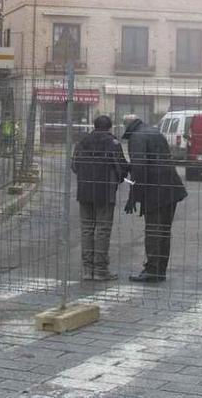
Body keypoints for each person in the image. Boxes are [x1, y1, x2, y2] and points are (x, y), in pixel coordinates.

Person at [122, 115, 187, 283]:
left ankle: (152, 270)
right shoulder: (154, 132)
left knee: (153, 231)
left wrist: (133, 195)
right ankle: (159, 270)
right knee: (164, 231)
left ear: (127, 126)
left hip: (155, 189)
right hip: (171, 187)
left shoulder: (137, 137)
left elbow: (140, 166)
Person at [71, 115, 128, 281]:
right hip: (105, 192)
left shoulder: (82, 142)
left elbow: (74, 166)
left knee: (87, 229)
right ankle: (100, 270)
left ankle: (87, 269)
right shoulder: (113, 143)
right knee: (102, 230)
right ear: (109, 127)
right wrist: (119, 177)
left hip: (84, 191)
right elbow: (121, 167)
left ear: (94, 126)